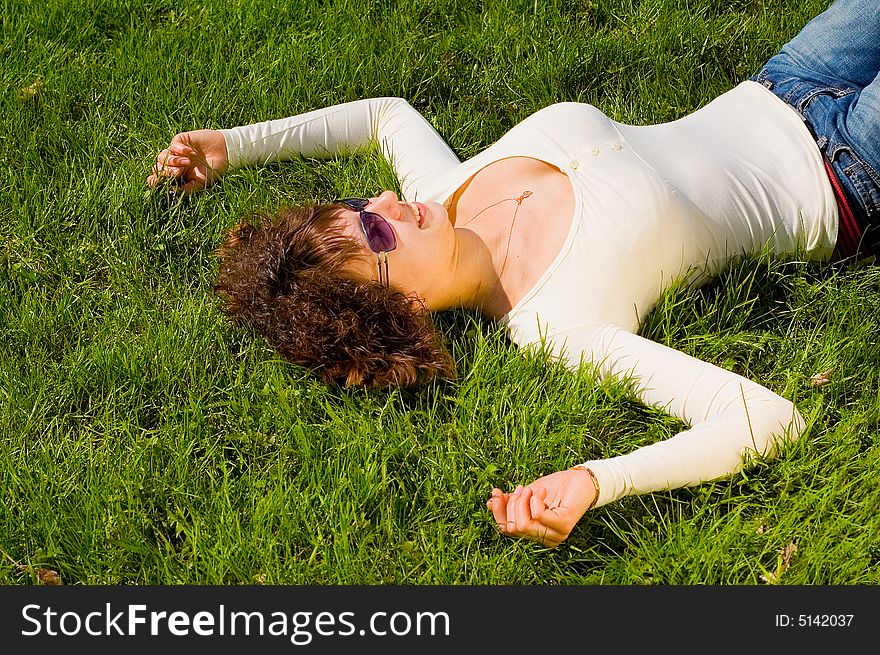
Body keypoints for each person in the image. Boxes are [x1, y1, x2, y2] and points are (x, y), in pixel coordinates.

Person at [147, 0, 879, 548]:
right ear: (400, 302)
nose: (390, 201)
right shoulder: (558, 322)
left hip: (784, 82)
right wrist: (600, 478)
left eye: (359, 203)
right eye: (375, 230)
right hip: (849, 173)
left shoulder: (446, 190)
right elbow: (767, 417)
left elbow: (385, 115)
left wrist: (236, 146)